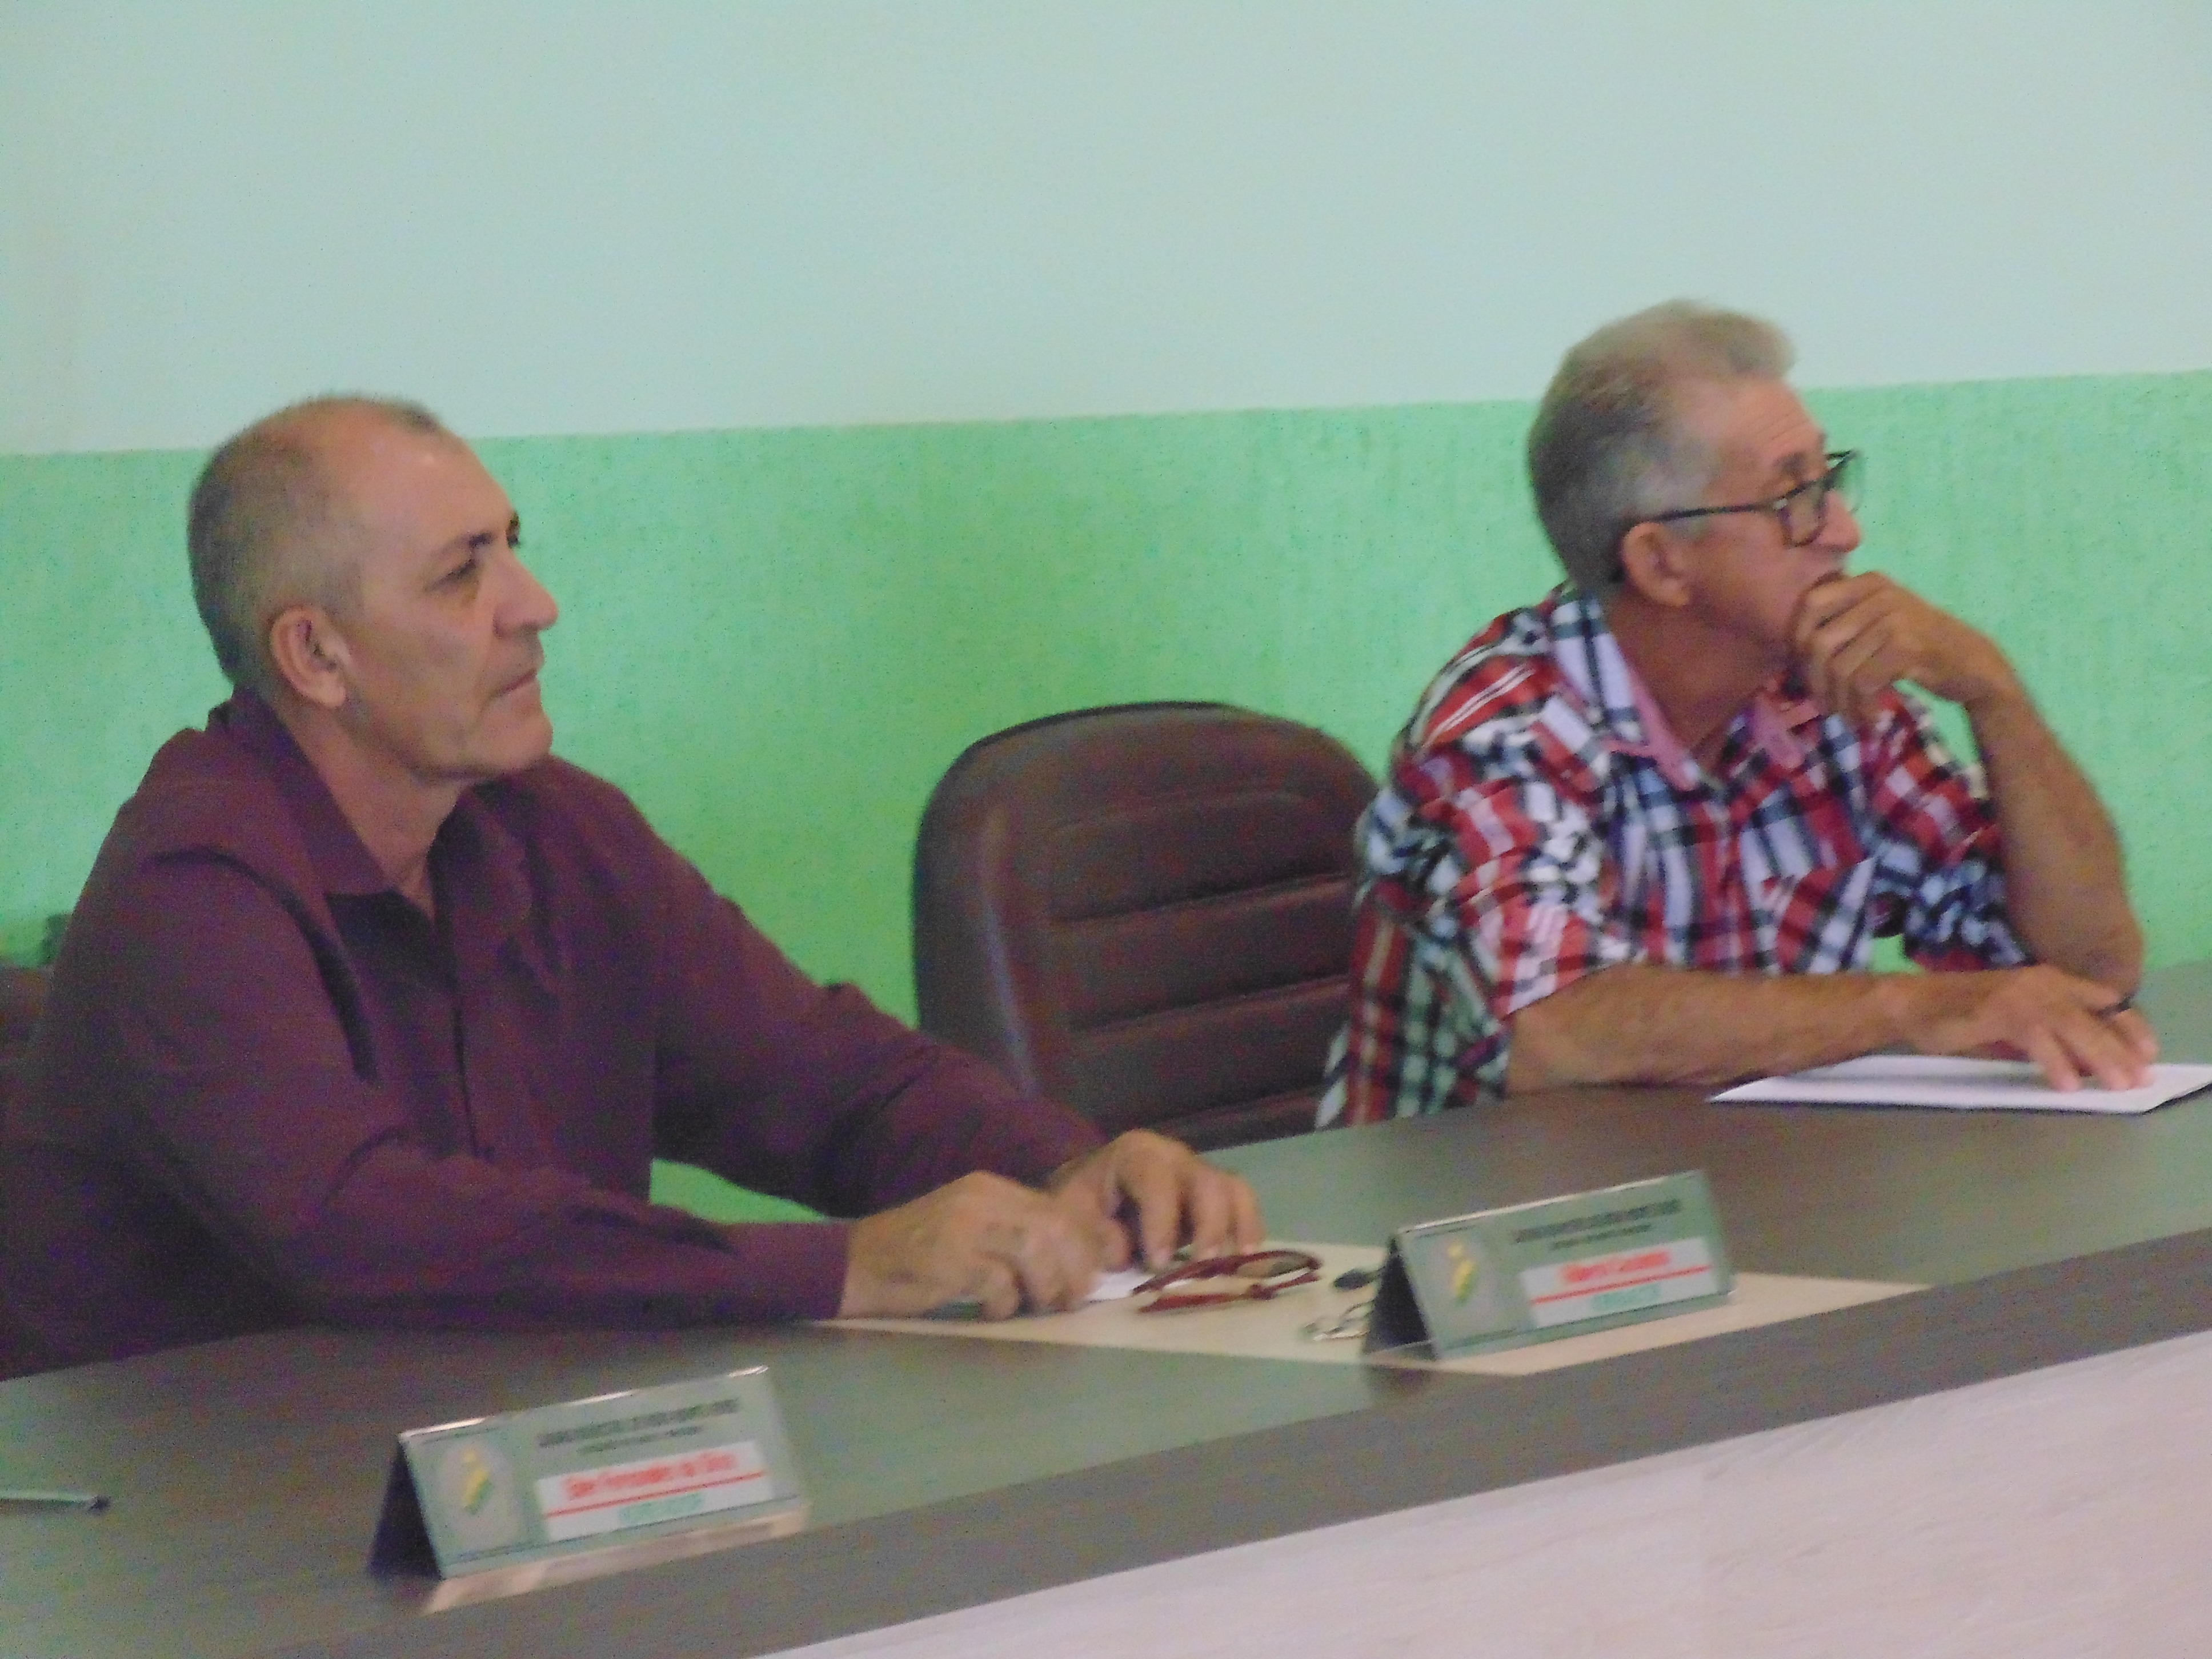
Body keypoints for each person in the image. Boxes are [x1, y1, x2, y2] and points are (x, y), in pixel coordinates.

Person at [3, 396, 1260, 1368]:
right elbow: (367, 1233)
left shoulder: (555, 830)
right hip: (181, 1525)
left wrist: (1067, 1169)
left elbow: (824, 1081)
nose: (535, 605)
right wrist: (845, 1269)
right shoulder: (192, 885)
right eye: (461, 573)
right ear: (317, 654)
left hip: (492, 1465)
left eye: (513, 547)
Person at [1321, 301, 2155, 1126]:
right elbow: (1554, 1029)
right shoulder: (1502, 729)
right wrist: (1915, 1007)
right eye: (1793, 496)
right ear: (1661, 562)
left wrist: (1995, 696)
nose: (1844, 530)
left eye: (1829, 481)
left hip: (1760, 1185)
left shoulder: (1830, 699)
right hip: (1492, 1205)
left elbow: (2088, 967)